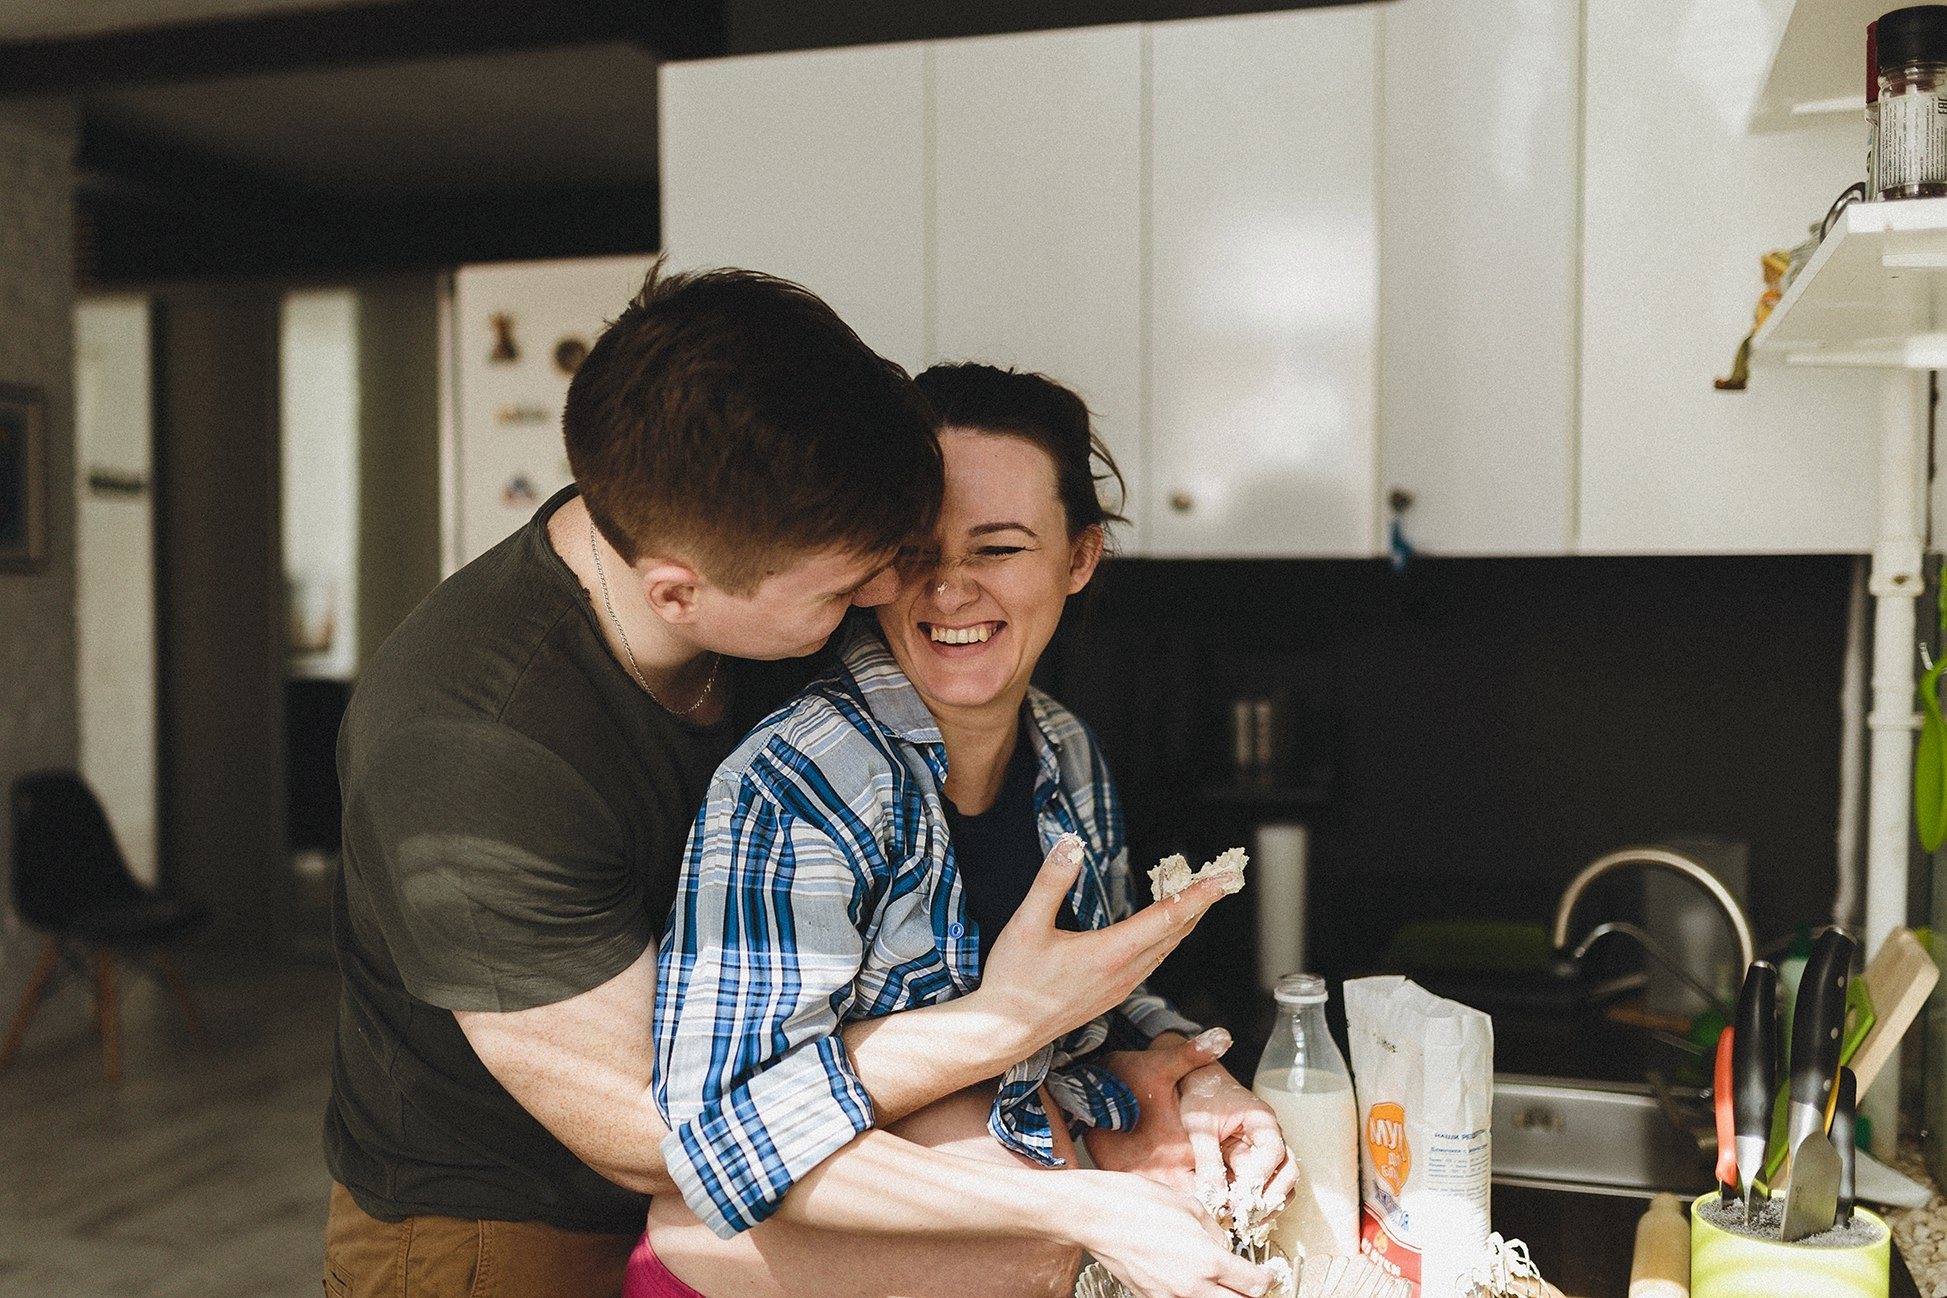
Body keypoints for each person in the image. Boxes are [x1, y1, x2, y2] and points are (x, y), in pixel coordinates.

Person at [321, 268, 1236, 1298]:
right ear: (681, 591)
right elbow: (668, 1135)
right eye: (855, 585)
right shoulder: (471, 753)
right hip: (504, 1207)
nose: (902, 594)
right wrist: (1002, 1031)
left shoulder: (758, 538)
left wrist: (1127, 1056)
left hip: (794, 1180)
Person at [644, 363, 1294, 1298]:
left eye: (997, 549)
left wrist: (1189, 1075)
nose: (948, 590)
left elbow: (1095, 999)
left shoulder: (1066, 755)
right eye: (913, 549)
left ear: (1078, 559)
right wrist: (1072, 1209)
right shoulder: (798, 786)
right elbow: (720, 1149)